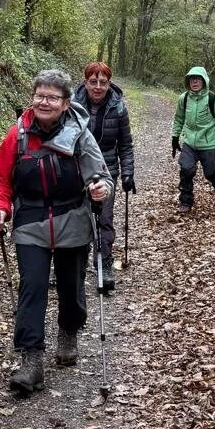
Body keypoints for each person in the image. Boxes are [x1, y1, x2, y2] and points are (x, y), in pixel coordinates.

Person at [0, 69, 111, 395]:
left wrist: (99, 189)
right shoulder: (17, 135)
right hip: (30, 220)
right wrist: (1, 206)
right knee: (33, 286)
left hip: (72, 217)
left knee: (71, 286)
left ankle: (69, 330)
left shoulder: (80, 134)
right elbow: (1, 177)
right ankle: (31, 360)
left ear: (65, 103)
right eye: (40, 95)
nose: (44, 101)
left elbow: (99, 175)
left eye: (52, 97)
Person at [71, 61, 135, 293]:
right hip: (75, 168)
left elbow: (125, 144)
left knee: (104, 218)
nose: (98, 87)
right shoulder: (71, 105)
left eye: (103, 82)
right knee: (73, 217)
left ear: (109, 83)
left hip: (105, 170)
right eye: (93, 82)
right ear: (85, 81)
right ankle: (69, 266)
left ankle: (104, 265)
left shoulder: (118, 108)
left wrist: (128, 172)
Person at [172, 66, 215, 215]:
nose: (195, 82)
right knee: (186, 170)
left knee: (211, 173)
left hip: (209, 143)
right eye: (192, 79)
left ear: (204, 81)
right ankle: (186, 202)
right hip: (190, 143)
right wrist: (175, 137)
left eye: (198, 79)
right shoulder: (184, 98)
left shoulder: (213, 99)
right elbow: (179, 118)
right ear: (188, 82)